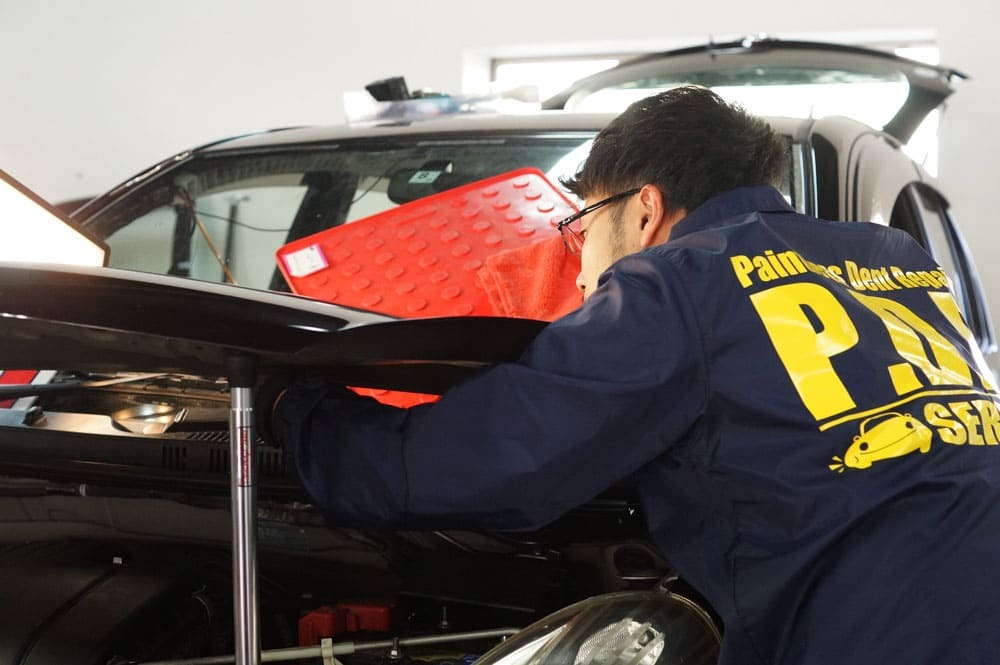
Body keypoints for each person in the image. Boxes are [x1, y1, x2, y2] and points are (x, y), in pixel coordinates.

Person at [265, 87, 1000, 665]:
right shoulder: (892, 257)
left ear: (645, 208)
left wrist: (293, 412)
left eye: (582, 229)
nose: (581, 274)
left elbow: (480, 462)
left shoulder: (679, 279)